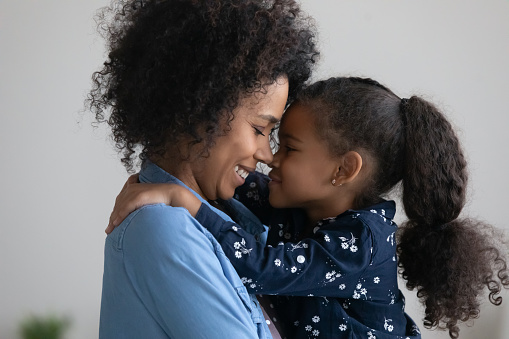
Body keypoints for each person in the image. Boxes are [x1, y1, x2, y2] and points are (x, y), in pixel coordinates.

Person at [109, 77, 509, 339]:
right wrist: (157, 182)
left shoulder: (362, 242)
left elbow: (262, 267)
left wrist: (181, 201)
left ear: (343, 169)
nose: (269, 157)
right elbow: (225, 178)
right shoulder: (297, 204)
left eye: (289, 147)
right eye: (267, 136)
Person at [87, 0, 318, 338]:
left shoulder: (236, 218)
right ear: (197, 113)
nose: (267, 154)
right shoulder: (162, 229)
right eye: (259, 129)